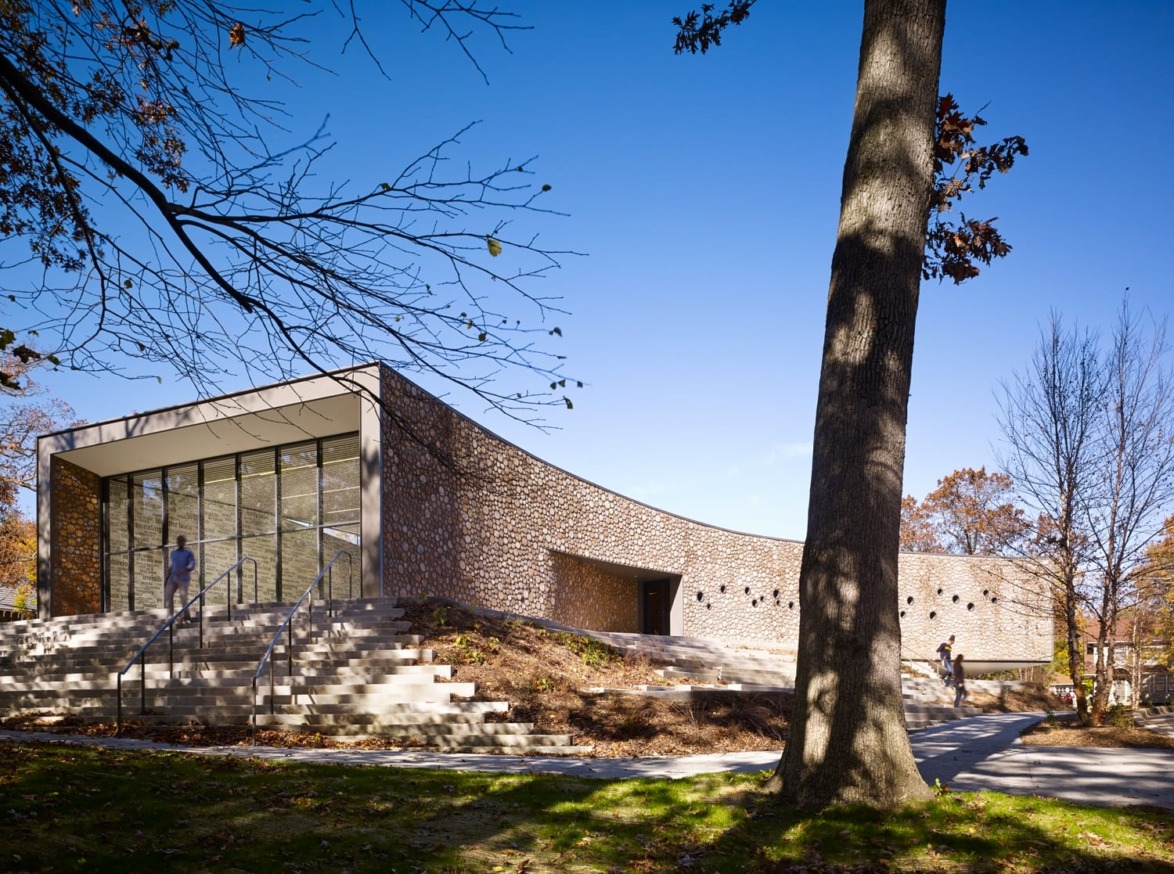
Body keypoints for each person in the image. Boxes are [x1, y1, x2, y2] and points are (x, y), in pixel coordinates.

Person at [164, 535, 197, 623]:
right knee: (169, 594)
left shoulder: (188, 553)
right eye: (179, 540)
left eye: (182, 540)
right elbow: (171, 565)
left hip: (184, 579)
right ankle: (170, 616)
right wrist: (167, 576)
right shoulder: (173, 553)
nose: (180, 542)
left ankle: (187, 617)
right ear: (177, 542)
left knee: (183, 597)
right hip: (173, 578)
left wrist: (184, 570)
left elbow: (192, 565)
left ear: (184, 542)